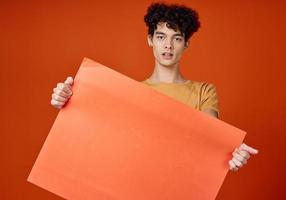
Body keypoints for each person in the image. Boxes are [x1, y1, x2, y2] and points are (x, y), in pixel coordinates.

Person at [50, 2, 258, 172]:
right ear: (150, 40)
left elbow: (210, 139)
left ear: (186, 44)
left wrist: (231, 153)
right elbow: (100, 139)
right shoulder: (130, 93)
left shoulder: (204, 91)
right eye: (161, 37)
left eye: (177, 38)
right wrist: (69, 101)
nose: (168, 45)